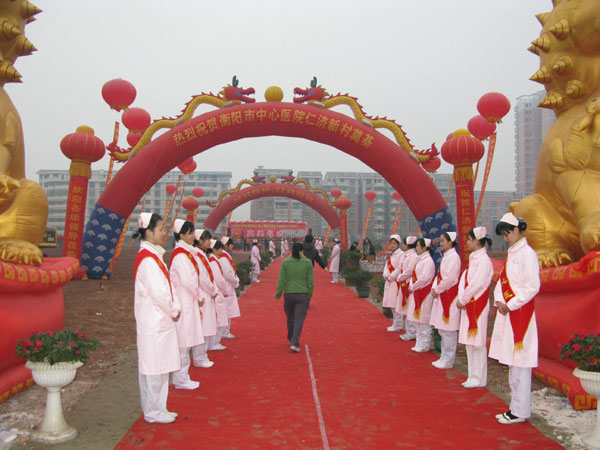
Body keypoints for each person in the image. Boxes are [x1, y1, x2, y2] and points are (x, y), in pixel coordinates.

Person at [489, 213, 540, 425]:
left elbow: (532, 286)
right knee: (513, 363)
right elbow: (502, 282)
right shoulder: (512, 254)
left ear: (517, 230)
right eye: (503, 235)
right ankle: (515, 408)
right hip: (508, 313)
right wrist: (499, 300)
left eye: (508, 233)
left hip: (521, 314)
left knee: (520, 365)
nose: (506, 238)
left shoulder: (527, 254)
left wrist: (510, 304)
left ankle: (520, 411)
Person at [133, 212, 181, 424]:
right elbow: (159, 292)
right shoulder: (147, 260)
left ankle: (160, 408)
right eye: (160, 229)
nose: (163, 232)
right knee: (153, 369)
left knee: (161, 367)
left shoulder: (154, 256)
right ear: (149, 232)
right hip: (154, 321)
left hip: (160, 319)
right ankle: (153, 411)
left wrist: (173, 308)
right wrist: (174, 309)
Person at [169, 219, 204, 391]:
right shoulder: (181, 256)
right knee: (184, 341)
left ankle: (183, 377)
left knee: (187, 340)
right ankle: (180, 379)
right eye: (190, 233)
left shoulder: (186, 253)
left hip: (189, 300)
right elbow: (189, 281)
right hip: (185, 301)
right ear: (181, 235)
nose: (193, 236)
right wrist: (199, 295)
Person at [457, 226, 494, 389]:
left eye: (469, 239)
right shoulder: (474, 258)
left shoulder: (484, 260)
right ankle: (472, 375)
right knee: (469, 342)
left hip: (477, 304)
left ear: (477, 241)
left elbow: (477, 284)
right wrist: (462, 298)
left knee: (477, 343)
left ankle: (479, 378)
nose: (467, 242)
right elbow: (464, 281)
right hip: (468, 303)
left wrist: (464, 299)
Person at [429, 232, 461, 369]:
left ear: (450, 242)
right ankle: (444, 357)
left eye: (443, 241)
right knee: (443, 329)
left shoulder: (454, 257)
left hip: (449, 296)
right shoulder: (446, 256)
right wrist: (434, 288)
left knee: (449, 330)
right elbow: (439, 276)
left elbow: (450, 279)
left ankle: (448, 359)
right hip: (443, 295)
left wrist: (437, 289)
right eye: (440, 241)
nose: (441, 243)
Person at [275, 242, 314, 353]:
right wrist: (309, 294)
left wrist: (278, 293)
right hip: (302, 294)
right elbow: (310, 281)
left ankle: (291, 337)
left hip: (289, 294)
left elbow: (281, 279)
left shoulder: (286, 262)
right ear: (302, 251)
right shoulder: (308, 263)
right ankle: (295, 342)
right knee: (299, 320)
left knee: (290, 318)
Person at [191, 229, 218, 368]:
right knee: (203, 328)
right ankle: (199, 357)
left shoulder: (202, 255)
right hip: (204, 294)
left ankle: (202, 355)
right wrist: (213, 290)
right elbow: (202, 278)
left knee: (206, 327)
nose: (209, 242)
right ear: (199, 240)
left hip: (207, 293)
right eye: (206, 239)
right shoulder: (197, 256)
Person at [405, 238, 436, 352]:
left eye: (418, 246)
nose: (416, 248)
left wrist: (413, 286)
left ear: (424, 248)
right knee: (417, 319)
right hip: (417, 292)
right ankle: (419, 342)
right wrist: (412, 285)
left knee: (424, 319)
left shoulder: (428, 261)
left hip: (424, 293)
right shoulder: (420, 259)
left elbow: (425, 278)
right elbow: (414, 275)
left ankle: (425, 343)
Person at [207, 240, 231, 352]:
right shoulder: (213, 262)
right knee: (218, 320)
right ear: (214, 249)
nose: (221, 251)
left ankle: (215, 342)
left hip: (218, 292)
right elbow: (219, 279)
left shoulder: (214, 260)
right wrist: (225, 291)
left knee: (219, 318)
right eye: (219, 249)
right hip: (217, 292)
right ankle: (214, 343)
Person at [219, 237, 241, 339]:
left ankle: (226, 331)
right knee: (226, 310)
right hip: (227, 285)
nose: (232, 246)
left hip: (229, 284)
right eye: (231, 244)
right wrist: (235, 281)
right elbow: (227, 273)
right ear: (225, 245)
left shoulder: (225, 256)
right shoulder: (223, 257)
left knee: (228, 309)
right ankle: (224, 331)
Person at [397, 236, 419, 341]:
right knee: (406, 308)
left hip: (409, 284)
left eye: (404, 243)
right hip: (404, 284)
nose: (403, 245)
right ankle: (409, 331)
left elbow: (409, 270)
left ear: (407, 245)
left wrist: (400, 277)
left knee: (410, 308)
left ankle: (412, 332)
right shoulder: (407, 255)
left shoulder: (413, 256)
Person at [382, 234, 405, 331]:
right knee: (392, 304)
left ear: (398, 244)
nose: (392, 245)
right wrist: (386, 275)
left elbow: (400, 267)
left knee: (396, 304)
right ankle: (396, 324)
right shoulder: (391, 254)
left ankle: (398, 325)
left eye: (394, 243)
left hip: (396, 282)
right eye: (391, 243)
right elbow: (386, 266)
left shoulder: (402, 254)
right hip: (389, 281)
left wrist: (391, 276)